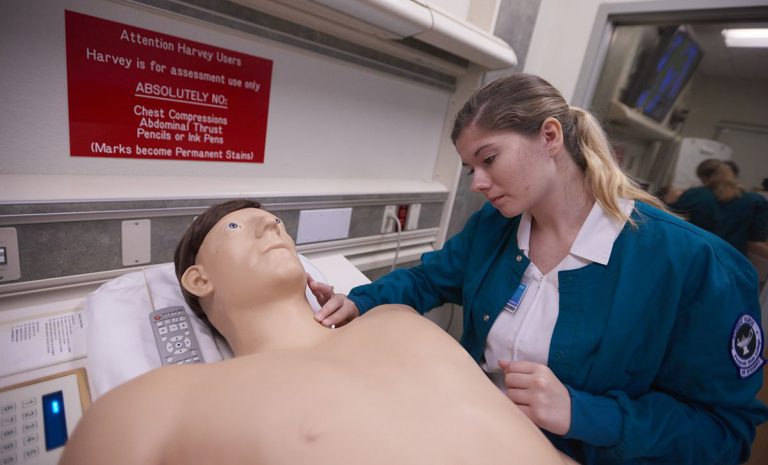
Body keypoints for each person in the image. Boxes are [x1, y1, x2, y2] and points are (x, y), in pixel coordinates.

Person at [310, 74, 768, 464]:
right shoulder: (495, 227)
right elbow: (427, 278)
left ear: (550, 137)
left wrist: (580, 413)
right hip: (467, 436)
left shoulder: (696, 266)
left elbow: (723, 433)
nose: (478, 184)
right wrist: (359, 301)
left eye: (488, 160)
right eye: (471, 168)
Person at [60, 199, 577, 465]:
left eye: (278, 225)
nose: (273, 227)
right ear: (199, 278)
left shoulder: (396, 320)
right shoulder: (160, 400)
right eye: (239, 226)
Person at [664, 158, 768, 255]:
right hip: (731, 262)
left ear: (704, 177)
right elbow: (755, 241)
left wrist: (669, 201)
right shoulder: (755, 201)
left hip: (695, 255)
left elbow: (667, 222)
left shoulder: (696, 195)